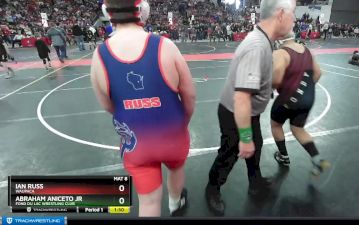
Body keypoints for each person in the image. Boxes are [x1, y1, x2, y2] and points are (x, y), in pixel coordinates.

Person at [90, 0, 196, 217]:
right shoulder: (165, 46)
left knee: (147, 203)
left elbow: (107, 105)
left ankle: (164, 204)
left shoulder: (99, 56)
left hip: (136, 141)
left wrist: (133, 110)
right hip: (172, 134)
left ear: (107, 14)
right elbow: (189, 94)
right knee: (176, 168)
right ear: (143, 11)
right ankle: (175, 202)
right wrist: (183, 121)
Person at [205, 0, 296, 216]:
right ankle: (212, 189)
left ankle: (255, 183)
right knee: (229, 154)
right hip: (235, 112)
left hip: (248, 112)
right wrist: (245, 138)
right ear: (281, 14)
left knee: (258, 146)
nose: (294, 20)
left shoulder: (265, 41)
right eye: (292, 14)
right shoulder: (257, 46)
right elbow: (242, 98)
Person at [270, 31, 331, 176]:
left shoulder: (280, 53)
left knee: (276, 124)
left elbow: (277, 76)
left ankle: (283, 157)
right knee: (298, 129)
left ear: (279, 39)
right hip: (308, 98)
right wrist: (306, 90)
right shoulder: (307, 50)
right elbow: (318, 73)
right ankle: (317, 160)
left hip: (288, 98)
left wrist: (270, 87)